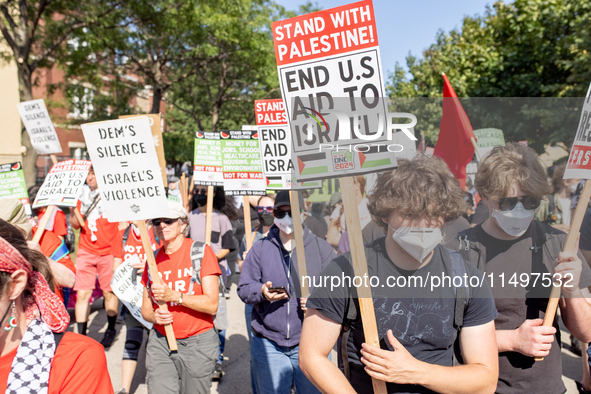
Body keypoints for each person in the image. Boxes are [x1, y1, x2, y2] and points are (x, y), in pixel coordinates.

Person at [299, 156, 499, 394]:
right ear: (385, 213)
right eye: (411, 214)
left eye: (434, 214)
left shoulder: (466, 278)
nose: (423, 224)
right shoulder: (347, 270)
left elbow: (485, 379)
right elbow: (312, 356)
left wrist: (415, 371)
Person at [458, 143, 591, 393]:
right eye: (507, 202)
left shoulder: (556, 243)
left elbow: (586, 332)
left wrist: (572, 290)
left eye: (529, 201)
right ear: (485, 196)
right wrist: (511, 340)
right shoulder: (459, 248)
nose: (519, 210)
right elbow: (440, 335)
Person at [238, 191, 336, 394]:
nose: (286, 218)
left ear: (304, 214)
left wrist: (318, 300)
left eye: (291, 212)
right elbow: (244, 288)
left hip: (312, 343)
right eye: (280, 213)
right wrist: (261, 290)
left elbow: (337, 292)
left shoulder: (322, 249)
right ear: (273, 215)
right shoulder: (260, 248)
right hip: (269, 343)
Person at [0, 221, 113, 393]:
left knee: (95, 294)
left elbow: (71, 278)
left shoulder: (76, 360)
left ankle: (107, 329)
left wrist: (43, 258)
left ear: (15, 285)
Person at [141, 201, 220, 394]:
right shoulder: (152, 260)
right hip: (161, 341)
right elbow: (146, 310)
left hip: (197, 343)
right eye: (156, 222)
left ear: (182, 224)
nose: (162, 226)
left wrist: (176, 296)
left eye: (168, 221)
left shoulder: (201, 252)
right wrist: (154, 317)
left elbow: (212, 305)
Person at [189, 186, 238, 380]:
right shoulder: (189, 218)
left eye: (204, 190)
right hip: (193, 274)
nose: (199, 194)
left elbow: (228, 246)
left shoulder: (221, 219)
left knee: (217, 316)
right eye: (197, 190)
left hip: (216, 273)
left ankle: (217, 359)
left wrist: (210, 258)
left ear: (213, 193)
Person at [69, 168, 119, 346]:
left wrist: (118, 254)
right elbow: (76, 225)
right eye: (88, 175)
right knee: (82, 293)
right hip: (86, 250)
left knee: (109, 292)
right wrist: (73, 210)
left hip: (108, 251)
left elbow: (121, 225)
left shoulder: (114, 195)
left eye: (94, 174)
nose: (90, 178)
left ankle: (111, 329)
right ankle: (82, 336)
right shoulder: (80, 196)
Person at [110, 221, 160, 394]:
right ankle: (124, 388)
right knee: (131, 341)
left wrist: (147, 268)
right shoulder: (123, 235)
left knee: (156, 342)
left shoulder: (157, 231)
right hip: (133, 299)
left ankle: (156, 384)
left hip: (156, 297)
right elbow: (115, 267)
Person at [535, 163, 581, 233]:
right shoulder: (547, 201)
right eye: (577, 181)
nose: (581, 184)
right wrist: (554, 228)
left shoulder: (578, 201)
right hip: (555, 241)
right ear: (566, 182)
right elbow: (534, 226)